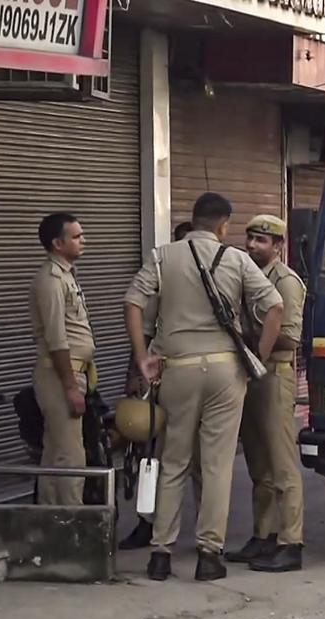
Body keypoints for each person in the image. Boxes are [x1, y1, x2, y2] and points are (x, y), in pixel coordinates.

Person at [124, 192, 285, 582]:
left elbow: (132, 303)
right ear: (223, 225)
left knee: (174, 461)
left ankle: (160, 553)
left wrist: (144, 355)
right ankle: (208, 555)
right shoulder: (237, 259)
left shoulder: (163, 256)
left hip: (176, 369)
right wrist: (257, 359)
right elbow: (275, 307)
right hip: (225, 370)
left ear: (192, 220)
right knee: (216, 465)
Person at [226, 214, 308, 572]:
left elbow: (290, 338)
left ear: (278, 246)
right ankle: (264, 536)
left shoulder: (286, 283)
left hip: (275, 375)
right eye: (250, 239)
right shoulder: (245, 276)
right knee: (259, 465)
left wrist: (247, 336)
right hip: (251, 375)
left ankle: (291, 542)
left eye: (261, 241)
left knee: (282, 463)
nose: (252, 245)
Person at [120, 222, 200, 550]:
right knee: (155, 456)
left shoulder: (217, 280)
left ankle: (207, 537)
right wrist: (135, 372)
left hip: (200, 378)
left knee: (204, 462)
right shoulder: (161, 283)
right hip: (162, 378)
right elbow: (145, 331)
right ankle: (148, 522)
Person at [29, 213, 94, 506]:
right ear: (57, 243)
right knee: (70, 456)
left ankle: (50, 522)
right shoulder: (51, 280)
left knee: (56, 453)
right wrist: (70, 387)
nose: (83, 241)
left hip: (73, 373)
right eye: (76, 236)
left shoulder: (66, 273)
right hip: (60, 377)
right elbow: (57, 340)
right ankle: (71, 524)